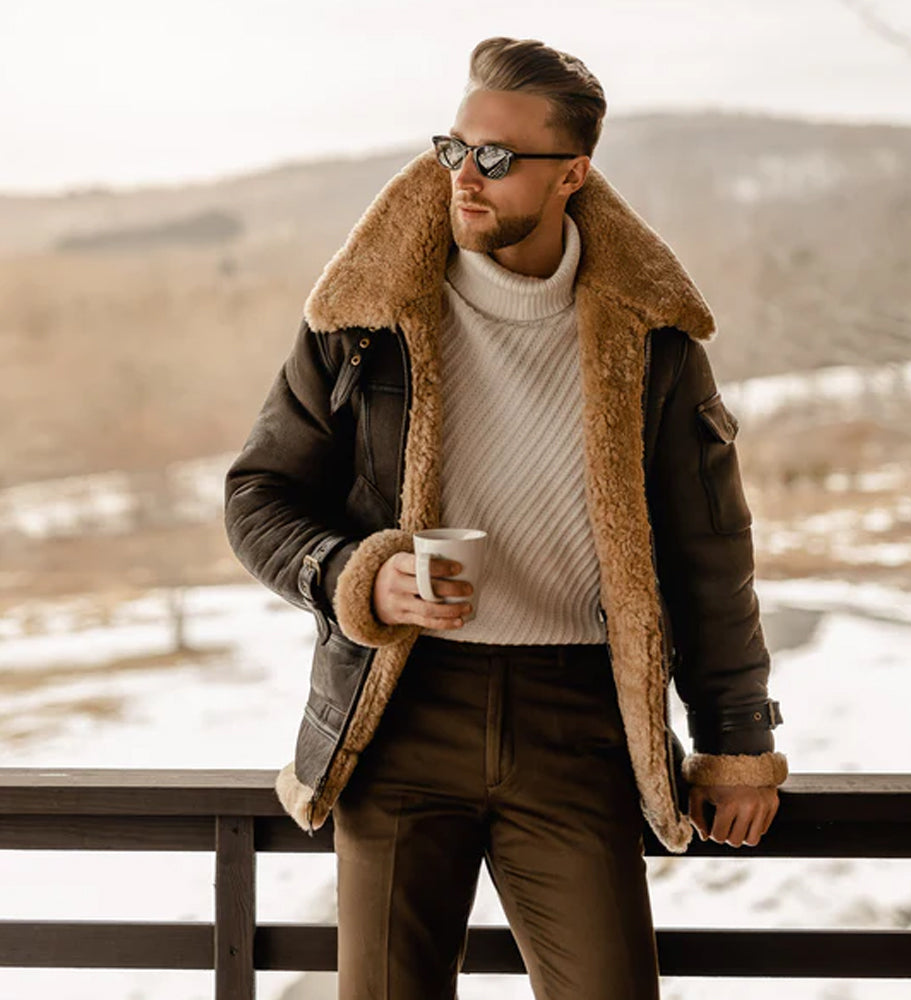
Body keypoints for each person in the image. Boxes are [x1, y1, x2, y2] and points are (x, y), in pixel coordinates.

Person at [224, 35, 788, 1000]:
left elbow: (711, 557)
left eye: (496, 158)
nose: (464, 178)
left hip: (578, 724)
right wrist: (359, 575)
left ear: (572, 173)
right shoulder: (364, 322)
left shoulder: (652, 342)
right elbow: (257, 497)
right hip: (398, 714)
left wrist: (734, 739)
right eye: (454, 148)